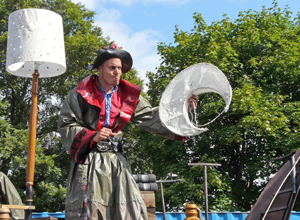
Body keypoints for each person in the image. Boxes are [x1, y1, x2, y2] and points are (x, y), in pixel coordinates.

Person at [58, 43, 198, 220]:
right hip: (90, 161)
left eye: (120, 68)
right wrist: (92, 134)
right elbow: (65, 123)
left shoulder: (127, 94)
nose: (117, 72)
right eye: (112, 68)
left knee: (130, 210)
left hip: (117, 161)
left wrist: (182, 109)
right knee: (92, 211)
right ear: (99, 69)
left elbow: (150, 116)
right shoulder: (80, 93)